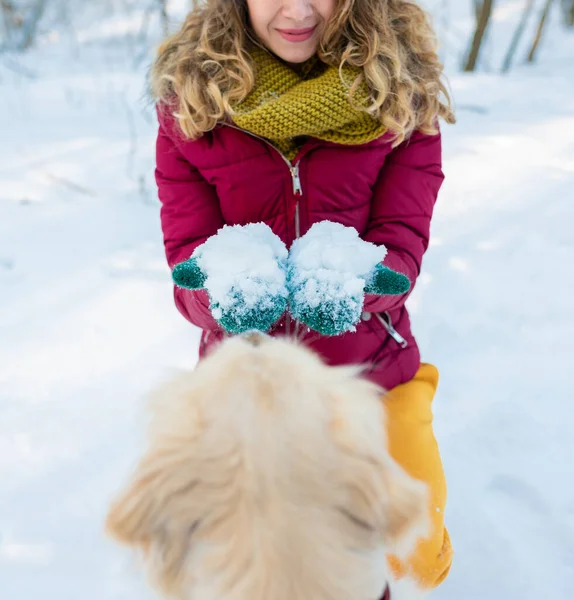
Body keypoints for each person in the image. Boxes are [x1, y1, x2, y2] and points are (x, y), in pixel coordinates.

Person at [152, 0, 455, 593]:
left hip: (373, 374)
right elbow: (186, 256)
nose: (296, 10)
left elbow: (402, 236)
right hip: (248, 384)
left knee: (413, 555)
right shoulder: (191, 102)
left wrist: (368, 280)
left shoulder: (403, 95)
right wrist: (218, 292)